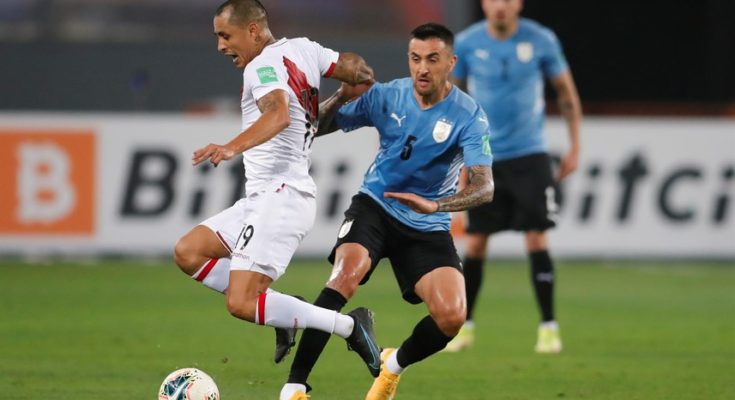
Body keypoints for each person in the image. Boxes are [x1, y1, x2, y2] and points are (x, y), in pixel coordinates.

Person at [279, 23, 495, 400]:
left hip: (427, 223)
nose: (422, 68)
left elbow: (484, 187)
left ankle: (393, 364)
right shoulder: (388, 96)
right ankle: (296, 386)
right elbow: (316, 127)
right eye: (415, 59)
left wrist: (437, 204)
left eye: (432, 59)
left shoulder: (469, 115)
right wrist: (340, 96)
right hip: (376, 206)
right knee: (344, 277)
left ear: (451, 62)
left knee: (452, 316)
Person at [172, 0, 382, 377]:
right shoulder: (305, 49)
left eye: (225, 35)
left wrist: (230, 146)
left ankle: (350, 326)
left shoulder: (261, 66)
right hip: (264, 198)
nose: (220, 45)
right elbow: (356, 70)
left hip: (281, 197)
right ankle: (280, 311)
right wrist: (348, 89)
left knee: (240, 302)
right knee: (189, 252)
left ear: (253, 30)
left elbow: (279, 113)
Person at [445, 0, 582, 354]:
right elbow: (452, 100)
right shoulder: (468, 43)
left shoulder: (541, 39)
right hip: (485, 157)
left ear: (518, 3)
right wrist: (456, 155)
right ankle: (464, 326)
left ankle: (548, 327)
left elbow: (565, 93)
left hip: (531, 155)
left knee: (537, 237)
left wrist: (575, 146)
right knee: (476, 241)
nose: (500, 6)